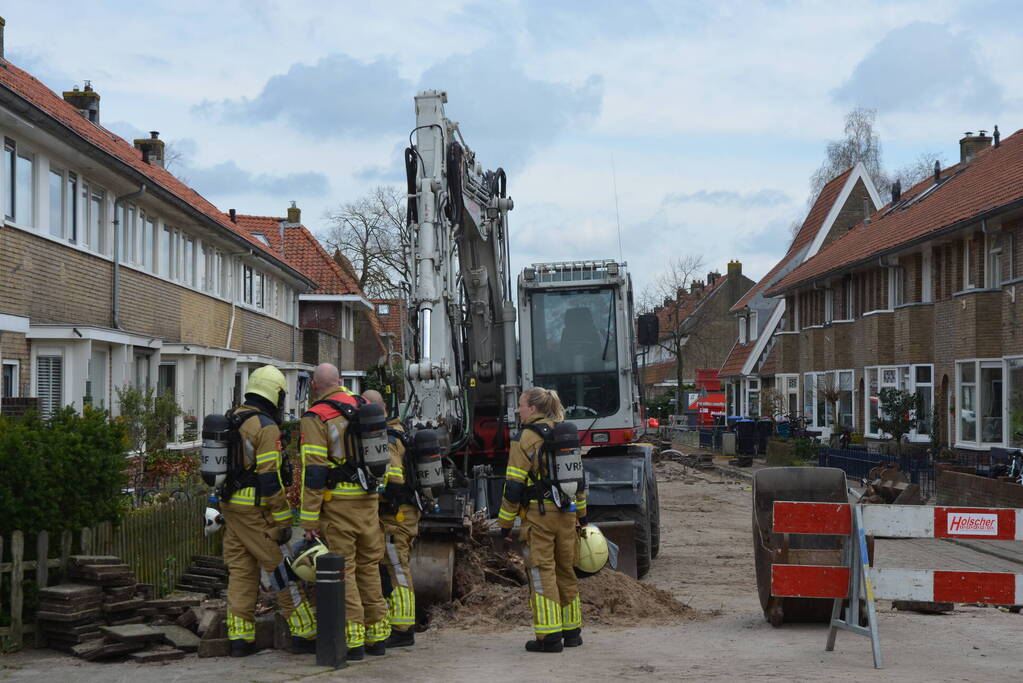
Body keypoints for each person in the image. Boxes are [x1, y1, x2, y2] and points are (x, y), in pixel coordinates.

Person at [220, 365, 316, 657]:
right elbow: (269, 476)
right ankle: (305, 632)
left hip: (231, 507)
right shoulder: (265, 426)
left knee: (241, 571)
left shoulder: (232, 418)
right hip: (256, 511)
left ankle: (240, 639)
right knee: (283, 570)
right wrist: (283, 517)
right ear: (275, 394)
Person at [299, 364, 389, 660]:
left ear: (315, 386)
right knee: (369, 566)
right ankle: (378, 634)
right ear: (340, 381)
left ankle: (353, 638)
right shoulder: (365, 406)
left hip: (338, 504)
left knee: (345, 569)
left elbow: (314, 470)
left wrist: (309, 516)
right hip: (369, 499)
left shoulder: (317, 416)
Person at [496, 387, 588, 653]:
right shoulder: (565, 433)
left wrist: (504, 524)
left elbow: (513, 485)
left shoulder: (525, 437)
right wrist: (582, 514)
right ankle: (572, 633)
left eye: (522, 405)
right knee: (565, 570)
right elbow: (578, 482)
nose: (518, 410)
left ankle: (548, 637)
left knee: (541, 571)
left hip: (540, 516)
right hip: (567, 514)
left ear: (533, 409)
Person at [363, 389, 419, 648]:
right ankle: (401, 622)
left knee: (397, 569)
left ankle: (403, 627)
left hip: (395, 515)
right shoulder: (400, 429)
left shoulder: (386, 438)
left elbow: (394, 479)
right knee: (397, 567)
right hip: (404, 513)